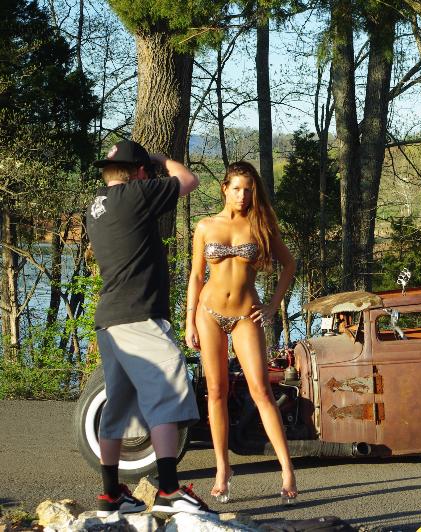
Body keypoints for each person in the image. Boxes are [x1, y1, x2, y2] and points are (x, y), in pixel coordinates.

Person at [86, 139, 216, 517]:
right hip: (138, 315)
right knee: (169, 388)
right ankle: (170, 490)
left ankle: (111, 495)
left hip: (109, 319)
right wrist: (163, 159)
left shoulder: (94, 207)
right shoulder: (135, 194)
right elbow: (188, 180)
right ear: (139, 173)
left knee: (120, 406)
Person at [185, 161, 298, 504]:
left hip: (246, 315)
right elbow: (196, 275)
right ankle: (223, 469)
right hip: (209, 313)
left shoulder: (260, 225)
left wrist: (273, 305)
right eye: (236, 188)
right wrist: (189, 321)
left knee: (261, 390)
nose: (242, 195)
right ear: (225, 188)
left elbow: (289, 264)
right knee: (216, 392)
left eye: (248, 189)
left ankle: (287, 470)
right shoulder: (205, 226)